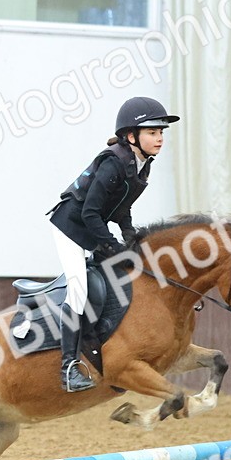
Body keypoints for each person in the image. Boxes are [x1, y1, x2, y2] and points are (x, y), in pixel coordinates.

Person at [46, 96, 179, 392]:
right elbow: (89, 212)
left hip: (93, 226)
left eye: (161, 132)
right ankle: (68, 367)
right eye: (152, 132)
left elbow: (121, 207)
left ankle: (115, 356)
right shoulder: (113, 163)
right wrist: (112, 246)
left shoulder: (141, 164)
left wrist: (132, 239)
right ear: (131, 136)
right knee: (79, 290)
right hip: (70, 226)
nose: (159, 138)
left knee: (124, 276)